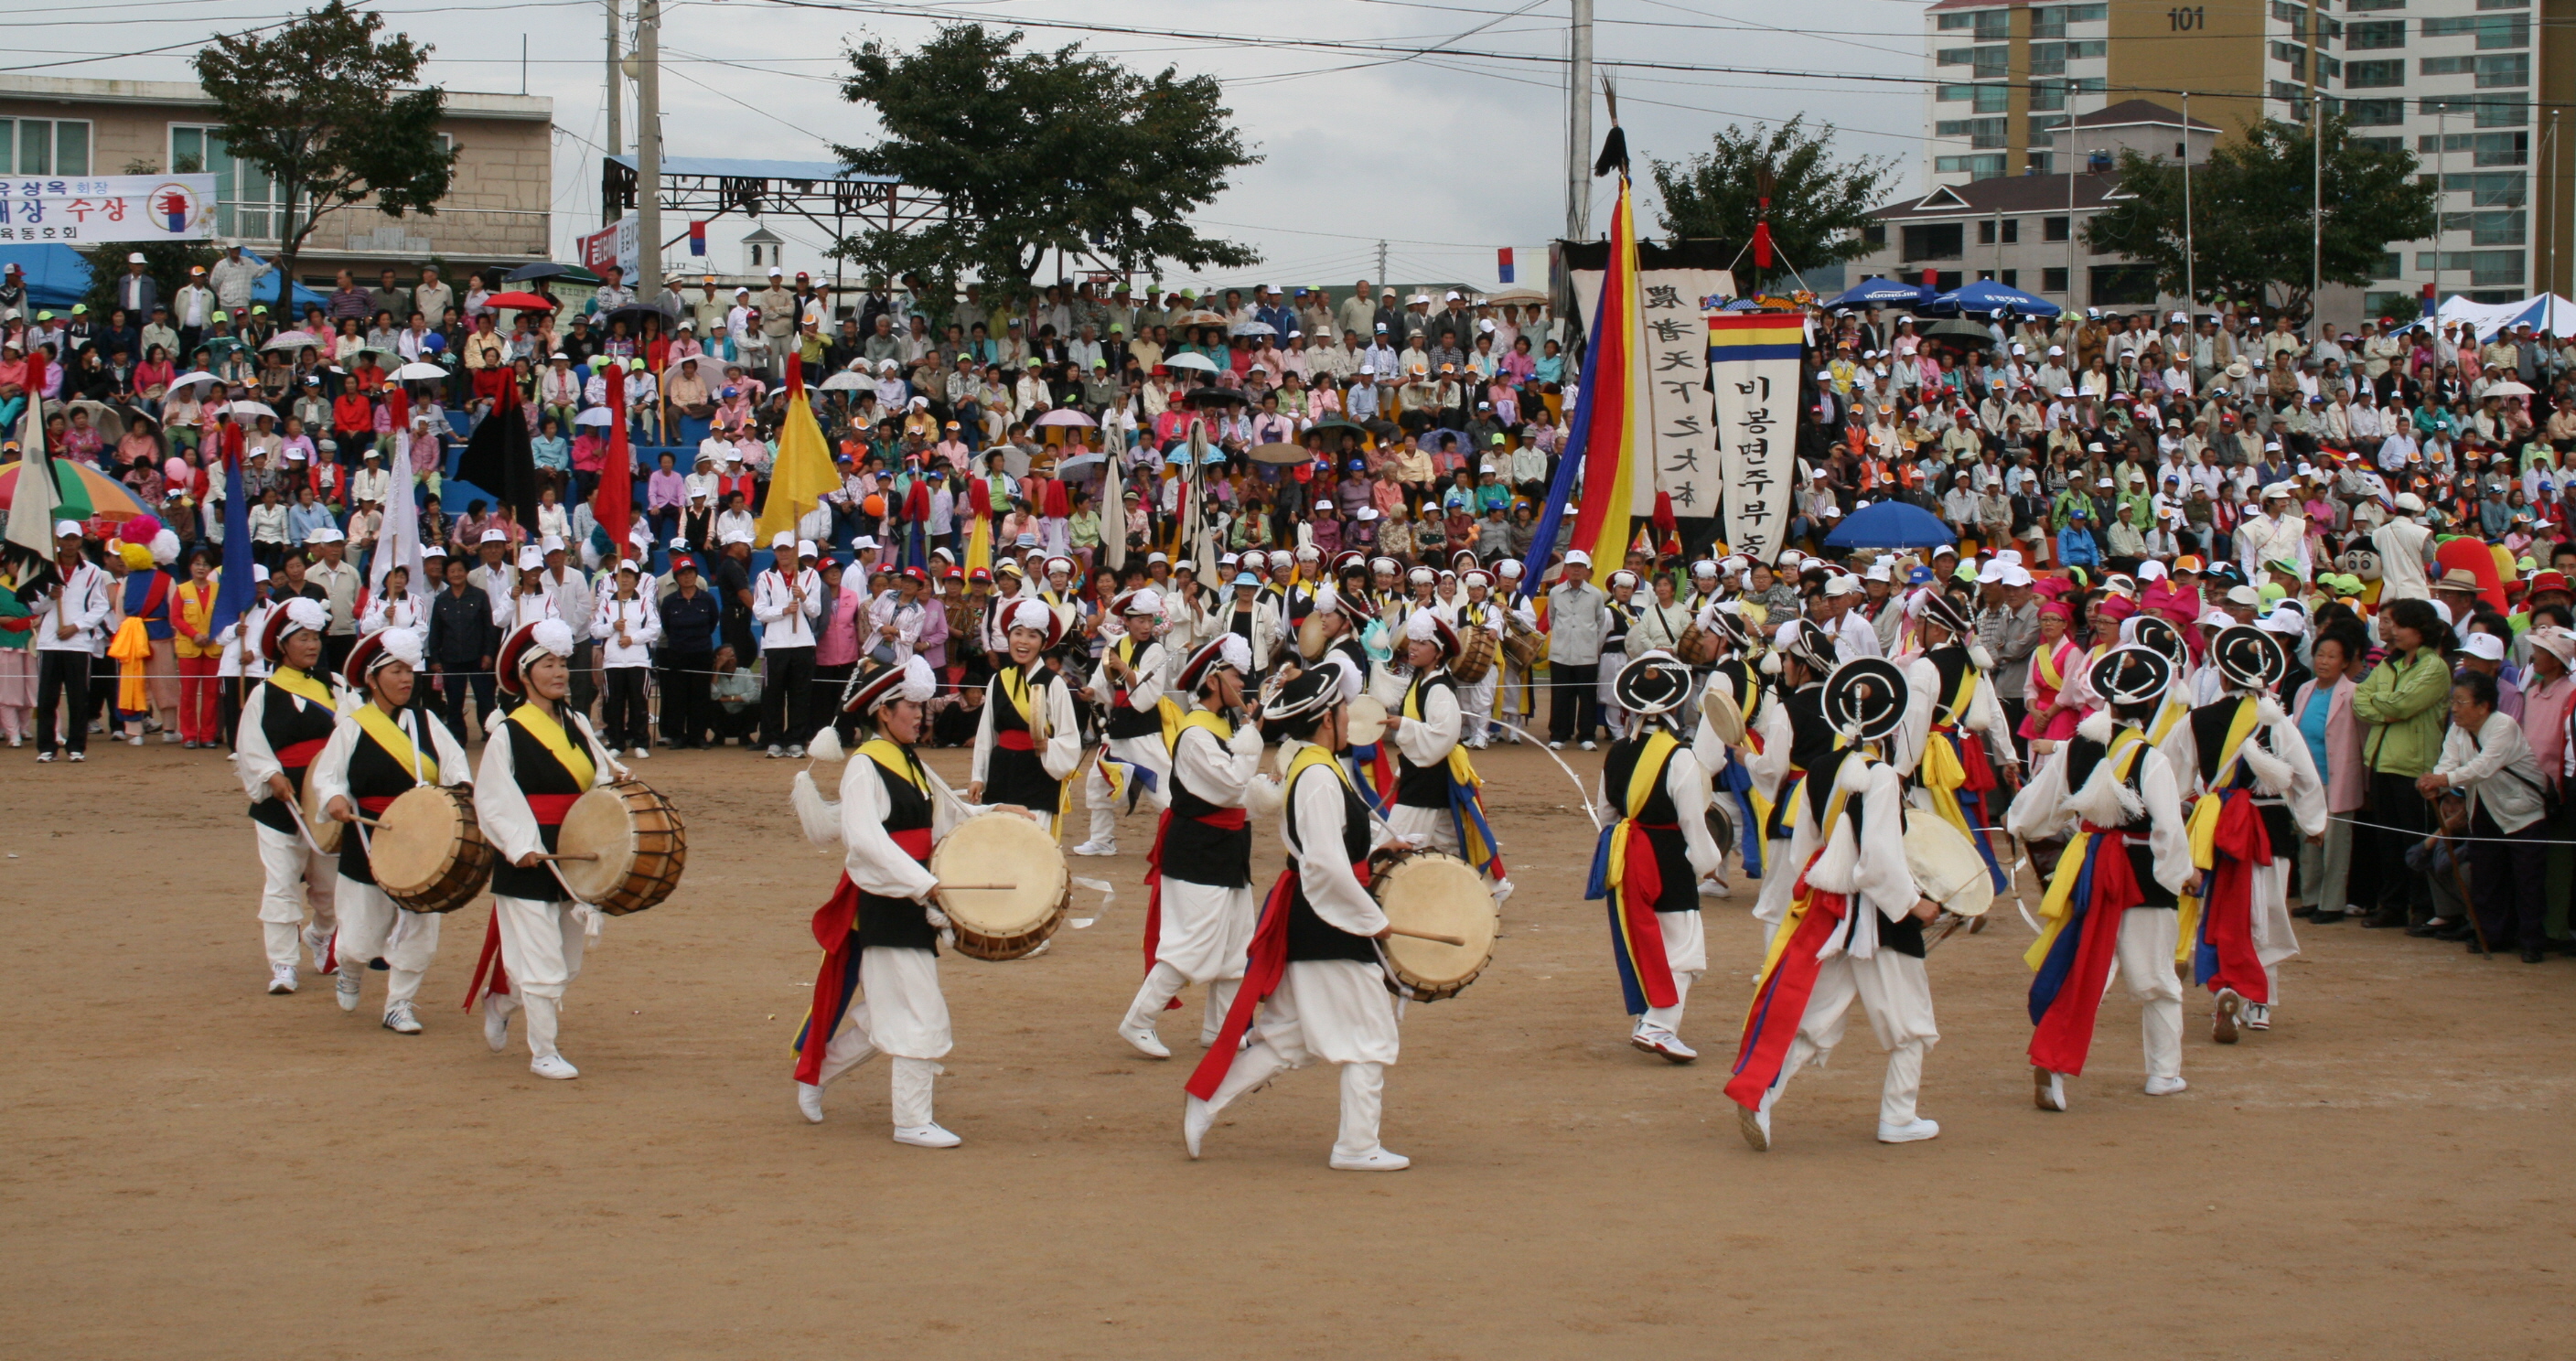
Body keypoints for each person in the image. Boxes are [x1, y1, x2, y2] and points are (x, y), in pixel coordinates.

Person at [1181, 666, 1411, 1172]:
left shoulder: (1316, 765)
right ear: (1329, 718)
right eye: (1346, 709)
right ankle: (1355, 1146)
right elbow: (1324, 862)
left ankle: (1206, 1099)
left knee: (1290, 1037)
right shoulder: (1319, 776)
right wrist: (1372, 919)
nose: (1352, 716)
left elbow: (1329, 845)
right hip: (1328, 919)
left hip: (1315, 914)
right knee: (1370, 1035)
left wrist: (1379, 846)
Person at [1726, 658, 1943, 1152]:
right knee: (1909, 1022)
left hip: (1833, 912)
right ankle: (1898, 1116)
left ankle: (1762, 1092)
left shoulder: (1820, 770)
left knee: (1816, 1014)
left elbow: (1807, 850)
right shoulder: (1883, 776)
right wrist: (1915, 905)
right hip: (1881, 919)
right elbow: (1880, 863)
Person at [789, 654, 997, 1146]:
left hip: (910, 897)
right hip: (888, 900)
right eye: (912, 707)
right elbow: (865, 842)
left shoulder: (908, 758)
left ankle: (816, 1071)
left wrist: (994, 814)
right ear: (884, 711)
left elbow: (943, 819)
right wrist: (921, 884)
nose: (921, 715)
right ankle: (910, 1120)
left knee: (890, 1010)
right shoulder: (865, 767)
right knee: (920, 1009)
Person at [2007, 647, 2194, 1112]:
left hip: (2089, 871)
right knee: (2157, 980)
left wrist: (2048, 841)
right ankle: (2163, 1074)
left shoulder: (2074, 748)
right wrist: (2178, 878)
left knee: (2081, 969)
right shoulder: (2151, 759)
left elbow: (2029, 815)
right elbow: (2168, 830)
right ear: (2151, 705)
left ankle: (2051, 1064)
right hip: (2142, 874)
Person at [465, 620, 621, 1080]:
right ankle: (543, 1051)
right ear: (526, 673)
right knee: (542, 962)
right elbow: (492, 797)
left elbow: (599, 775)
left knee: (566, 966)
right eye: (548, 664)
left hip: (574, 852)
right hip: (528, 854)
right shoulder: (508, 732)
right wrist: (519, 844)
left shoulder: (574, 723)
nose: (559, 672)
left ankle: (503, 1000)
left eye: (562, 664)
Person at [2159, 625, 2327, 1042]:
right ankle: (2259, 1003)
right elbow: (2305, 778)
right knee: (2265, 912)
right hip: (2268, 829)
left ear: (2224, 675)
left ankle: (2227, 987)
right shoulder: (2277, 722)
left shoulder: (2195, 721)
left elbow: (2171, 778)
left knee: (2220, 911)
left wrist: (2182, 816)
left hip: (2215, 828)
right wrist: (2314, 824)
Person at [306, 627, 469, 1034]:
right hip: (368, 837)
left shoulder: (427, 721)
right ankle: (350, 968)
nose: (405, 680)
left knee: (420, 925)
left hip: (424, 839)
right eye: (395, 671)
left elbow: (455, 766)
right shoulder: (353, 726)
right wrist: (335, 799)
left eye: (409, 671)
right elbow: (327, 777)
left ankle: (400, 1004)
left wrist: (461, 790)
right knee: (360, 935)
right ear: (373, 678)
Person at [1119, 635, 1265, 1057]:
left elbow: (1238, 790)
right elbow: (1231, 782)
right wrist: (1256, 735)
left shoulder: (1222, 725)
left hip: (1227, 845)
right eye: (1238, 675)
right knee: (1193, 943)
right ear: (1214, 679)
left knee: (1236, 942)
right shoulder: (1196, 734)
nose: (1245, 683)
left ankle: (1220, 1028)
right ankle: (1138, 1021)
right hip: (1198, 848)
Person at [1592, 651, 1725, 1063]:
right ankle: (1660, 1025)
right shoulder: (1680, 757)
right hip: (1668, 856)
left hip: (1628, 852)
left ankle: (1648, 1015)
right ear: (1675, 702)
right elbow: (1692, 819)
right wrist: (1708, 862)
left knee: (1643, 936)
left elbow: (1606, 814)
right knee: (1683, 944)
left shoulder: (1616, 752)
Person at [231, 597, 345, 993]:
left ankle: (320, 933)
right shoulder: (265, 694)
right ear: (283, 645)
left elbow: (351, 738)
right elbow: (250, 745)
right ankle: (283, 963)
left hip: (325, 801)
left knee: (328, 887)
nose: (312, 645)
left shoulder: (335, 686)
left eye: (315, 637)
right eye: (302, 638)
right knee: (281, 883)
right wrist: (271, 775)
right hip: (280, 804)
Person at [2421, 669, 2552, 961]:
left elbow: (2482, 767)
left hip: (2522, 814)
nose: (2454, 708)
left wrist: (2443, 781)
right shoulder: (2457, 729)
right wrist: (2435, 782)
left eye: (2461, 702)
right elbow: (2448, 761)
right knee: (2487, 877)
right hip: (2484, 810)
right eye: (2453, 701)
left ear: (2483, 706)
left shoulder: (2503, 726)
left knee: (2527, 881)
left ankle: (2531, 940)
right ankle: (2492, 935)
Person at [1382, 608, 1510, 900]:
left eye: (1421, 643)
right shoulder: (1420, 681)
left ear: (1438, 653)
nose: (1412, 647)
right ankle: (1485, 887)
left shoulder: (1439, 689)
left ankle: (1482, 888)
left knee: (1394, 840)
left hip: (1432, 774)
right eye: (1412, 642)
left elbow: (1443, 735)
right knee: (1448, 840)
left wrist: (1404, 725)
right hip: (1423, 769)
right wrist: (1402, 771)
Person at [1899, 591, 2021, 894]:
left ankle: (1955, 888)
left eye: (1921, 624)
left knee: (1933, 823)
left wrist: (1901, 767)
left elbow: (1915, 722)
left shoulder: (1925, 667)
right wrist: (2008, 757)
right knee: (1962, 816)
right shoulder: (1971, 663)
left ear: (1937, 628)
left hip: (1933, 754)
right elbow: (1994, 712)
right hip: (1964, 751)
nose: (1917, 631)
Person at [1073, 587, 1175, 857]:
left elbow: (1150, 692)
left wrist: (1124, 669)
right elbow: (1102, 682)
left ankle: (1179, 840)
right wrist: (1093, 693)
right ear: (1126, 622)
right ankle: (1102, 840)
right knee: (1098, 783)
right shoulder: (1116, 645)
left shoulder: (1154, 649)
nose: (1146, 626)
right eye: (1139, 621)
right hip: (1117, 726)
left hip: (1143, 728)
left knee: (1161, 788)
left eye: (1150, 620)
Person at [965, 598, 1082, 832]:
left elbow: (1069, 737)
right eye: (1018, 633)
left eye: (1032, 636)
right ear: (1009, 636)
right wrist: (978, 776)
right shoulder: (998, 680)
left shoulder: (1054, 683)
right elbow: (987, 734)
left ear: (1043, 643)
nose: (1023, 642)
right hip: (1001, 771)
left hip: (1037, 772)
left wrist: (1048, 745)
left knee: (1032, 842)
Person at [33, 522, 113, 764]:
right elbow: (34, 606)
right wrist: (50, 597)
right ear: (57, 541)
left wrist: (77, 627)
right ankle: (47, 747)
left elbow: (101, 606)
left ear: (80, 541)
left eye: (74, 539)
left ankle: (76, 746)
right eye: (65, 539)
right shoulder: (45, 570)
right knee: (47, 697)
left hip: (77, 643)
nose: (69, 544)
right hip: (49, 641)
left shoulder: (92, 571)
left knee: (78, 697)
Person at [756, 533, 823, 758]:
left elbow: (816, 610)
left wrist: (803, 597)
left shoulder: (810, 575)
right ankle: (774, 739)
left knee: (800, 693)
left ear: (795, 550)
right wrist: (783, 610)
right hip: (776, 643)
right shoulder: (765, 577)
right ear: (775, 552)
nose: (784, 554)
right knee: (774, 693)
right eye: (780, 550)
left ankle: (795, 739)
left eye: (788, 549)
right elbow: (760, 611)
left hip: (802, 641)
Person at [594, 563, 660, 758]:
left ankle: (640, 742)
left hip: (637, 660)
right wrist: (612, 627)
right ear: (614, 579)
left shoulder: (645, 602)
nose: (624, 579)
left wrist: (633, 639)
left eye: (629, 576)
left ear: (637, 579)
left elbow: (654, 629)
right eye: (621, 576)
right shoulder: (607, 602)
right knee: (613, 703)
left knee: (639, 702)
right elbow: (595, 629)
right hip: (613, 661)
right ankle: (616, 742)